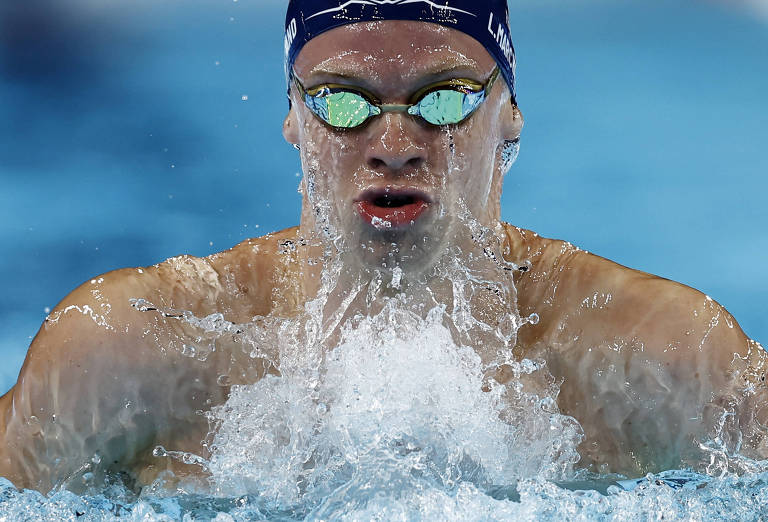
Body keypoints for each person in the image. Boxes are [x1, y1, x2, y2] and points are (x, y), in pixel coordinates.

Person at [1, 0, 765, 493]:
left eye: (444, 98)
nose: (395, 143)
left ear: (509, 119)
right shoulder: (125, 349)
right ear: (294, 122)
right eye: (341, 101)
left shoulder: (666, 357)